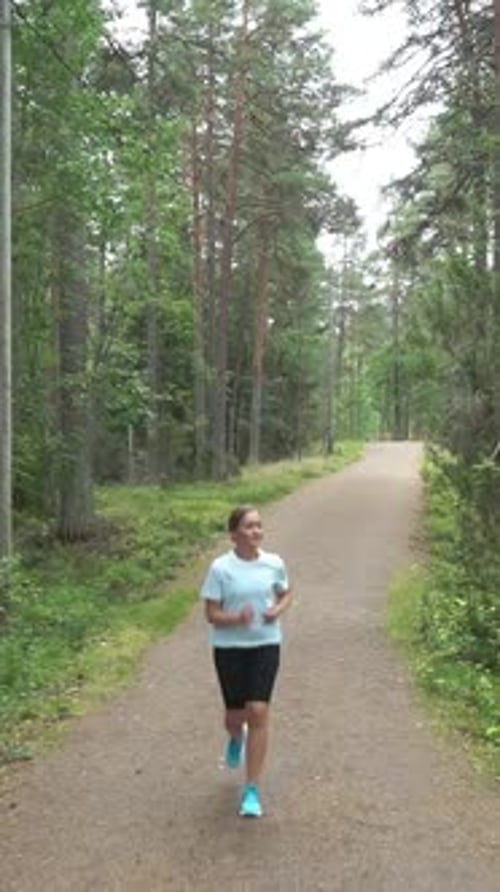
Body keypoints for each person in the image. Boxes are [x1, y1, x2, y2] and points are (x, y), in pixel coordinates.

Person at [200, 504, 292, 818]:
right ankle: (235, 736)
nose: (256, 531)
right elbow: (211, 614)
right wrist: (235, 618)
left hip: (266, 644)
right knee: (235, 716)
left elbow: (285, 593)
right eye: (249, 526)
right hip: (229, 649)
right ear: (234, 534)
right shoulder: (220, 569)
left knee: (258, 710)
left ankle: (251, 789)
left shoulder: (274, 563)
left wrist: (277, 611)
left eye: (259, 526)